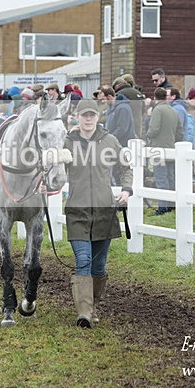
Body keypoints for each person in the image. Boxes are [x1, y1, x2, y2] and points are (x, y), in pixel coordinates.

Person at [63, 99, 132, 328]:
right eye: (85, 115)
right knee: (83, 260)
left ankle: (92, 307)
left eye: (92, 115)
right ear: (78, 117)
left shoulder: (110, 141)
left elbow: (125, 167)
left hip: (104, 211)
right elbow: (53, 170)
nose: (89, 119)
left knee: (99, 266)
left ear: (98, 117)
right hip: (77, 211)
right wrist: (47, 184)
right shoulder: (66, 143)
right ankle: (83, 313)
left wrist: (126, 189)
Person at [145, 88, 182, 215]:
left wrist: (147, 135)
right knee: (171, 177)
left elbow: (154, 129)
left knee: (161, 178)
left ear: (155, 97)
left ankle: (162, 207)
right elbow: (180, 132)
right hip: (171, 148)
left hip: (158, 149)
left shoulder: (157, 110)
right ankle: (172, 205)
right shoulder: (174, 111)